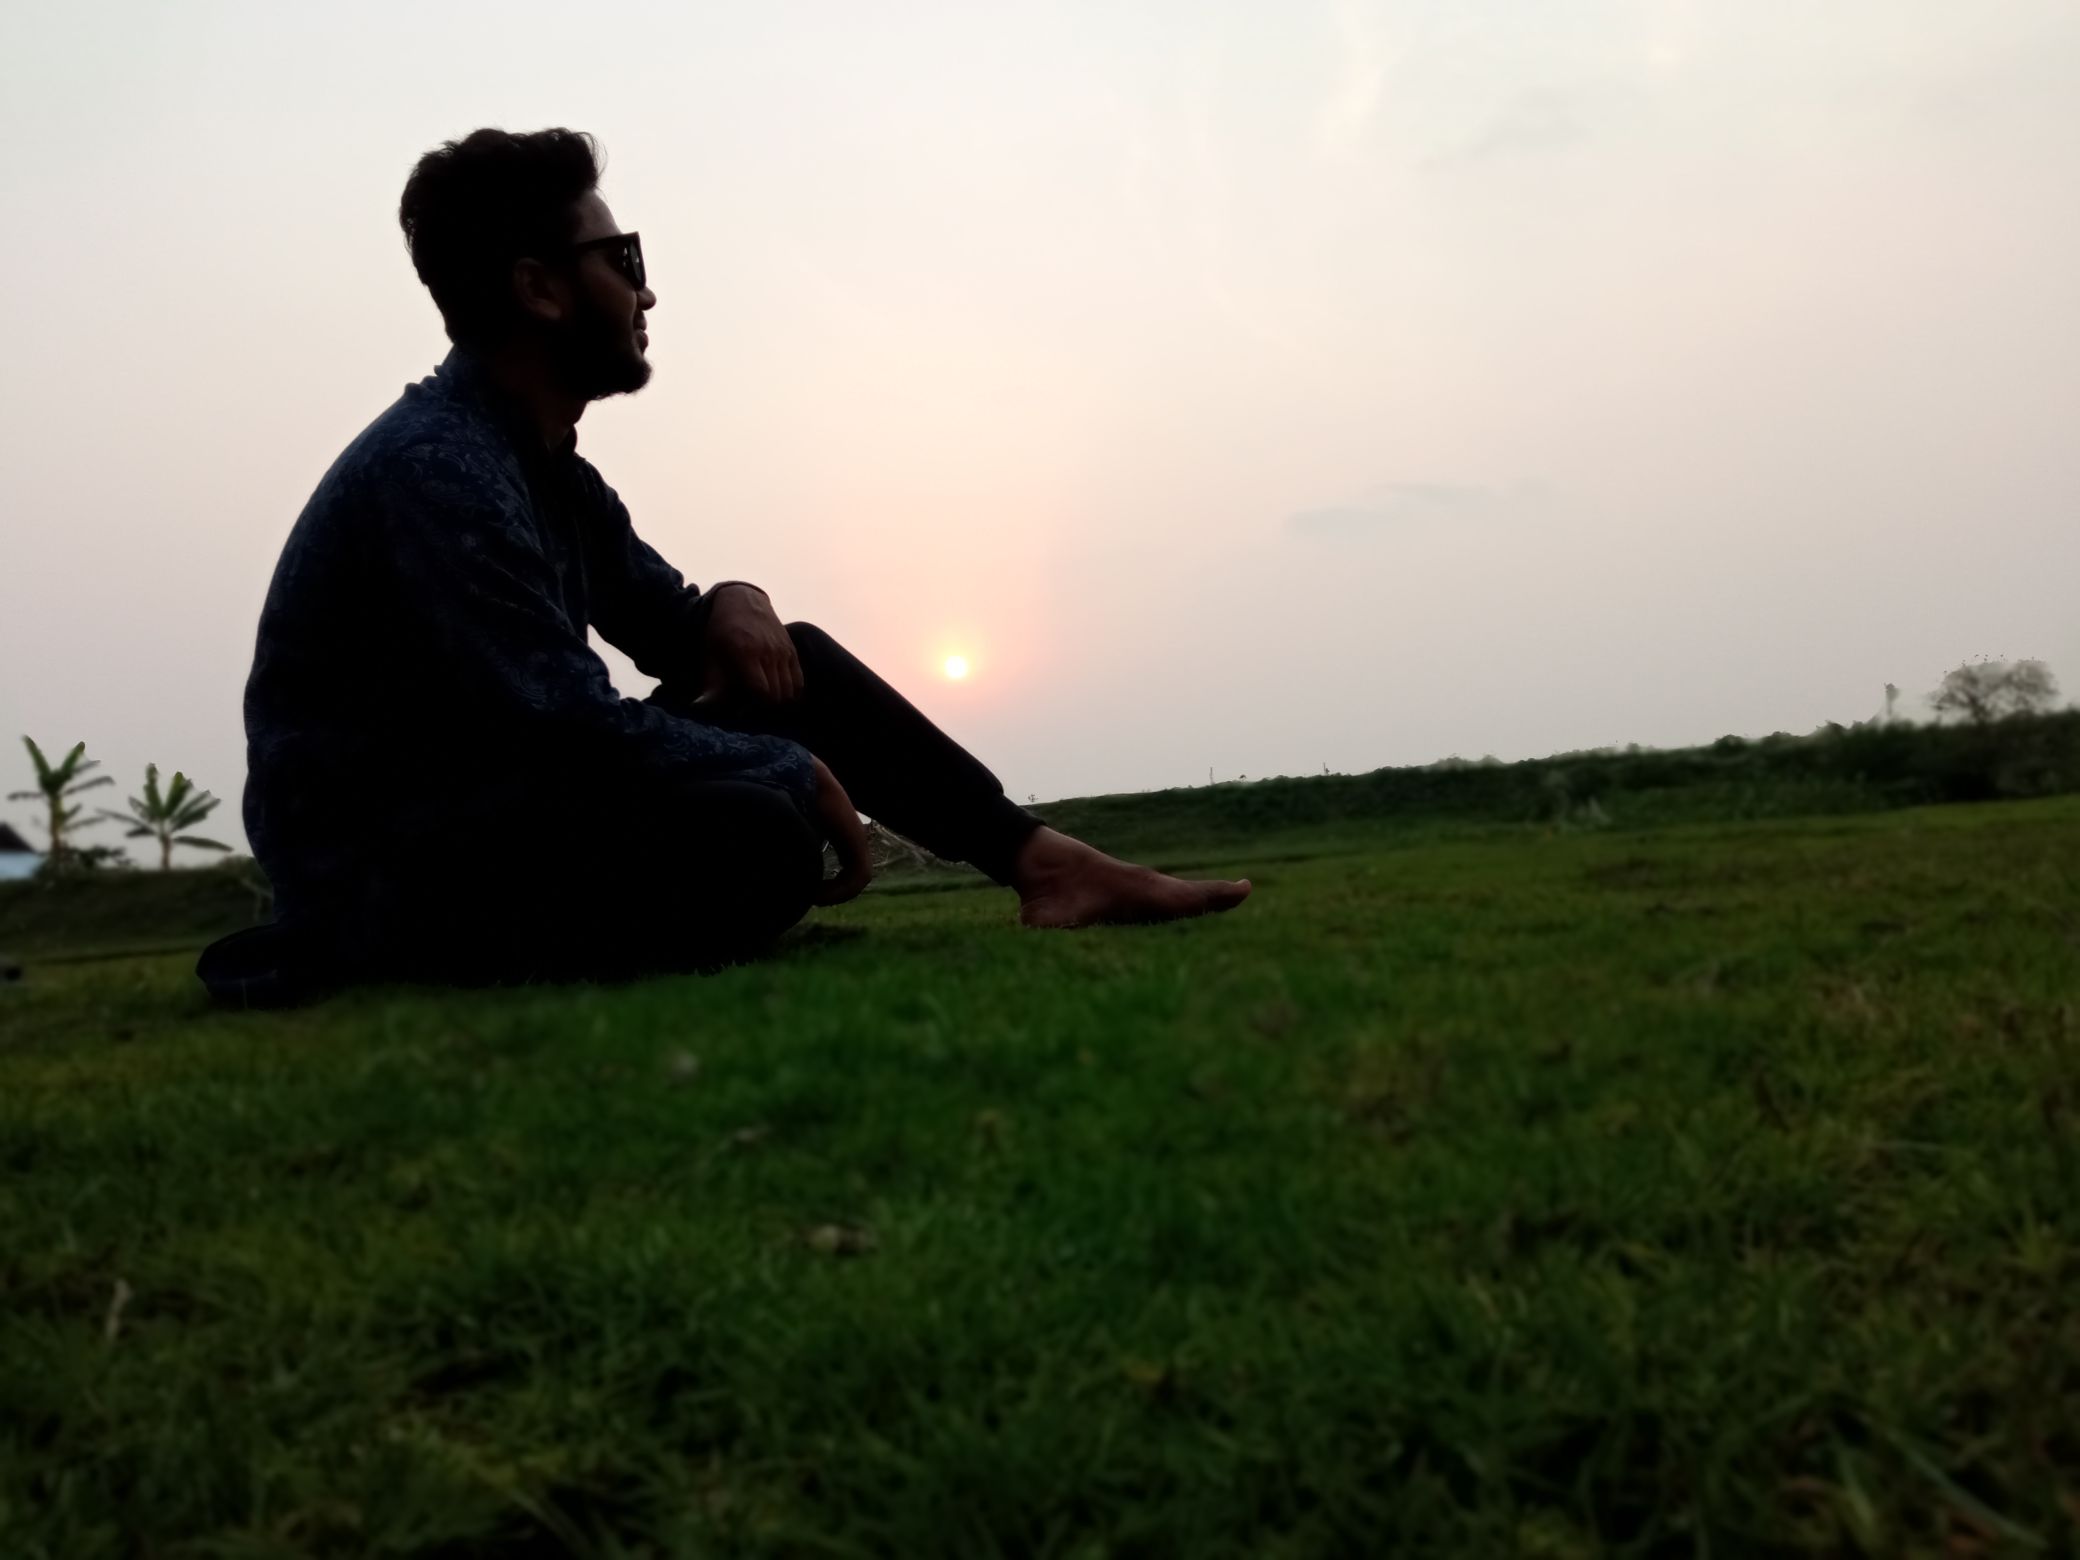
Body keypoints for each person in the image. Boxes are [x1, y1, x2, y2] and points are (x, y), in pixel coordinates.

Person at [198, 127, 1250, 1005]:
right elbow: (565, 724)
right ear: (540, 289)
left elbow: (677, 627)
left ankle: (1046, 866)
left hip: (505, 810)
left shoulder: (548, 474)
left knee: (792, 663)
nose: (647, 294)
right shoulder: (439, 471)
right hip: (394, 863)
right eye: (624, 260)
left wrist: (741, 602)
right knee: (753, 831)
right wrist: (792, 769)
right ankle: (392, 957)